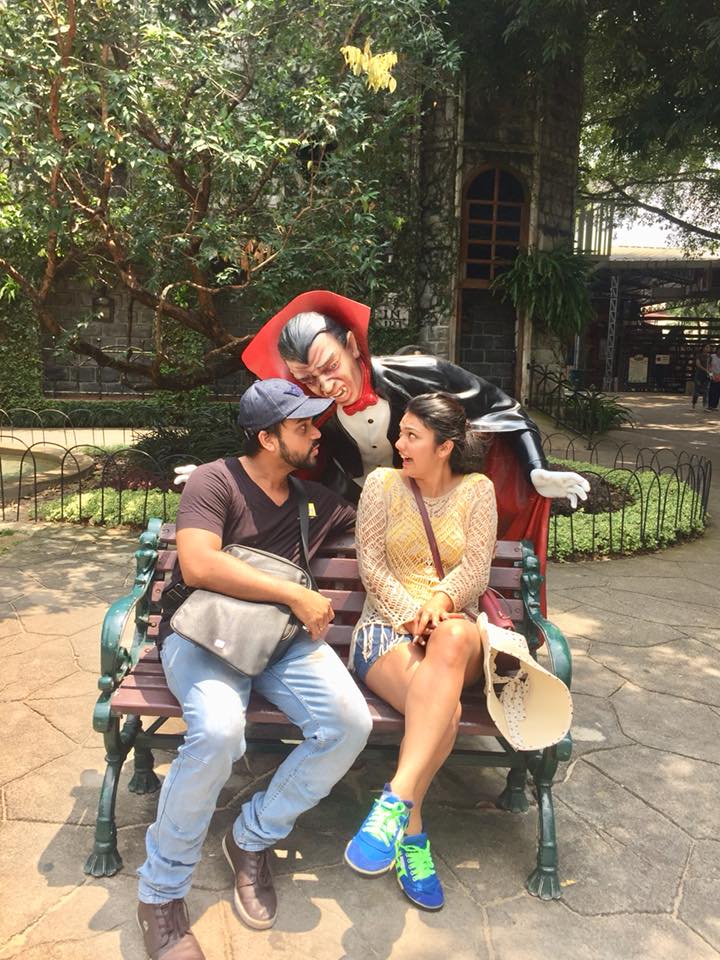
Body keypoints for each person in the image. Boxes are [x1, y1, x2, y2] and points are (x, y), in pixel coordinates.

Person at [137, 379, 372, 960]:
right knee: (219, 732)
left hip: (279, 642)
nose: (316, 434)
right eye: (302, 426)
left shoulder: (314, 499)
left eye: (315, 424)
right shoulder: (215, 481)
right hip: (203, 637)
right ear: (267, 438)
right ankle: (160, 894)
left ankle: (252, 835)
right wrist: (294, 594)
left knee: (348, 725)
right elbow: (198, 564)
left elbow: (383, 511)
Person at [176, 292, 590, 513]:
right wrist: (223, 477)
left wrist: (536, 469)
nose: (325, 386)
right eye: (308, 379)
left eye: (330, 366)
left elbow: (504, 410)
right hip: (353, 514)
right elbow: (274, 448)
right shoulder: (309, 408)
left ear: (352, 345)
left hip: (434, 511)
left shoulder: (424, 374)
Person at [343, 392, 496, 911]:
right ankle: (410, 830)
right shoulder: (382, 486)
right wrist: (411, 614)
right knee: (443, 712)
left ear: (445, 447)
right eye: (400, 433)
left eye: (412, 436)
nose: (398, 444)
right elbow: (371, 566)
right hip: (386, 630)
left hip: (455, 632)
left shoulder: (478, 491)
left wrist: (440, 603)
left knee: (450, 637)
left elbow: (476, 570)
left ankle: (394, 797)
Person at [691, 342, 711, 409]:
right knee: (697, 390)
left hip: (706, 376)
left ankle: (704, 405)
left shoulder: (709, 356)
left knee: (706, 391)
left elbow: (710, 366)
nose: (708, 348)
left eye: (709, 347)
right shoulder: (699, 355)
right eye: (706, 347)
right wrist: (705, 370)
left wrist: (710, 373)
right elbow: (698, 364)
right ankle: (694, 403)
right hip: (699, 375)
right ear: (703, 348)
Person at [708, 344, 720, 411]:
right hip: (712, 374)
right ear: (717, 350)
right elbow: (709, 366)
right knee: (712, 391)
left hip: (719, 375)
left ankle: (714, 406)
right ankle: (710, 405)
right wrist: (711, 375)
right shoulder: (712, 356)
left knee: (718, 392)